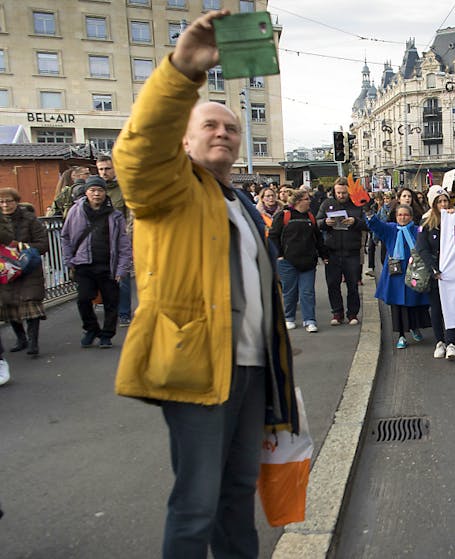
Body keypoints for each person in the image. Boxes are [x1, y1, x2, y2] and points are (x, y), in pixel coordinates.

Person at [111, 11, 299, 557]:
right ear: (185, 143)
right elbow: (140, 150)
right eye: (209, 126)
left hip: (251, 367)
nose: (222, 132)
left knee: (238, 493)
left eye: (231, 128)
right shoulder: (166, 189)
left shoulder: (239, 199)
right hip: (197, 364)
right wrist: (182, 71)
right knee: (197, 501)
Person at [61, 177, 132, 348]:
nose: (96, 194)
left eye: (99, 190)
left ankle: (106, 335)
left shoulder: (114, 215)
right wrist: (69, 260)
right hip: (83, 264)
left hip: (108, 265)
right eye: (92, 190)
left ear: (105, 192)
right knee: (83, 299)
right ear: (86, 192)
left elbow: (124, 243)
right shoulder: (75, 211)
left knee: (111, 302)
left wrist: (121, 269)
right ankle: (91, 329)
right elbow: (66, 236)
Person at [367, 204, 431, 348]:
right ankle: (401, 335)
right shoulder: (390, 229)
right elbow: (376, 225)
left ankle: (415, 327)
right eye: (400, 215)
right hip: (395, 274)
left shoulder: (417, 230)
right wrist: (369, 213)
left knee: (415, 303)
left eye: (406, 215)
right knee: (397, 306)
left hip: (414, 271)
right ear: (396, 217)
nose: (403, 217)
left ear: (411, 216)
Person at [0, 188, 49, 362]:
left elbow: (43, 244)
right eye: (2, 202)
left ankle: (33, 343)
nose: (5, 205)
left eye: (9, 201)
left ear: (16, 202)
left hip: (28, 269)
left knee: (31, 304)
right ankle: (21, 339)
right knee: (10, 305)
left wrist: (20, 247)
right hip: (6, 270)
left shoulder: (30, 220)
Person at [270, 189, 327, 332]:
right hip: (287, 261)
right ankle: (289, 317)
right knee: (289, 291)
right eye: (306, 199)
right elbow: (273, 236)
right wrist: (279, 255)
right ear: (298, 201)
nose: (309, 201)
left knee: (307, 292)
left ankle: (310, 320)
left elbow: (318, 238)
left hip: (308, 261)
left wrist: (323, 255)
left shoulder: (310, 217)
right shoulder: (284, 215)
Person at [417, 186, 455, 360]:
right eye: (439, 201)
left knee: (452, 307)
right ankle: (439, 341)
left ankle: (451, 343)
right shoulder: (426, 223)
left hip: (453, 272)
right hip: (435, 273)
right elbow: (422, 248)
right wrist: (434, 268)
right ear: (433, 204)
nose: (443, 204)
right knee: (436, 308)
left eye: (445, 200)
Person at [317, 177, 366, 326]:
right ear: (334, 191)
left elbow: (368, 223)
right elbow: (317, 222)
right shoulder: (327, 203)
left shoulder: (356, 204)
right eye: (338, 192)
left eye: (344, 193)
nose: (341, 195)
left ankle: (352, 314)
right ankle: (337, 313)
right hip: (333, 250)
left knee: (352, 284)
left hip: (351, 250)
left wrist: (355, 222)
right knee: (333, 284)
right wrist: (325, 223)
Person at [96, 155, 134, 327]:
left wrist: (126, 239)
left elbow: (131, 216)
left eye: (107, 168)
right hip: (99, 242)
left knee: (122, 278)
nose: (104, 172)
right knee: (104, 278)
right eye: (101, 169)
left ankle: (124, 312)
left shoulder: (124, 189)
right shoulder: (95, 190)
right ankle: (110, 310)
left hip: (119, 241)